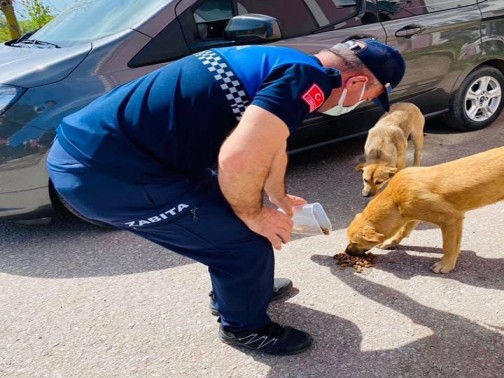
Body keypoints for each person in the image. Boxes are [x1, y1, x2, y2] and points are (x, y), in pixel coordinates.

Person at [46, 39, 405, 356]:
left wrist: (278, 195)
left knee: (229, 226)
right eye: (370, 98)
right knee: (243, 242)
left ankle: (241, 292)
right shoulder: (308, 81)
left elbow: (270, 142)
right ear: (357, 82)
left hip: (112, 155)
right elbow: (238, 158)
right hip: (108, 175)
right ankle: (243, 326)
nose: (359, 104)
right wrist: (254, 214)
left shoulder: (285, 62)